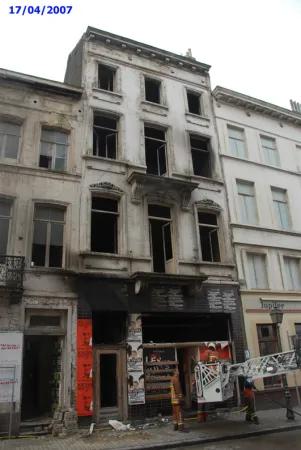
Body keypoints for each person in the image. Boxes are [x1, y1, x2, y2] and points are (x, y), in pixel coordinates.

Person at [198, 342, 220, 422]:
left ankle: (201, 418)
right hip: (215, 374)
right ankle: (206, 417)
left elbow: (204, 360)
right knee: (208, 399)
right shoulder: (217, 353)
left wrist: (201, 364)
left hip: (208, 373)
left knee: (201, 398)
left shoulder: (207, 352)